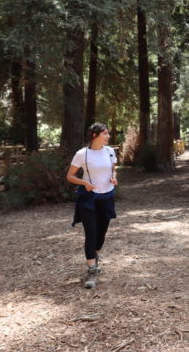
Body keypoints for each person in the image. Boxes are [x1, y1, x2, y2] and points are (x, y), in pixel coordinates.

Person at [66, 122, 118, 289]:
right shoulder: (82, 154)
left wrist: (114, 177)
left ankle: (95, 256)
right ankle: (92, 270)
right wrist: (84, 183)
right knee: (91, 233)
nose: (108, 136)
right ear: (95, 135)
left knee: (101, 234)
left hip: (107, 197)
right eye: (105, 133)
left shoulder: (110, 152)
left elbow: (113, 168)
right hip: (88, 198)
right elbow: (70, 176)